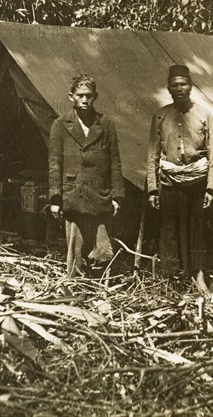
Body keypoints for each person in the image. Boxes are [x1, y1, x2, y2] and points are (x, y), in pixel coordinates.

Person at [146, 64, 213, 293]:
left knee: (196, 230)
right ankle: (172, 279)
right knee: (169, 230)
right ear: (168, 88)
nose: (179, 89)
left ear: (191, 86)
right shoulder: (161, 115)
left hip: (197, 183)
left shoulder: (204, 114)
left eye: (184, 84)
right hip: (168, 182)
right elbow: (152, 154)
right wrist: (151, 189)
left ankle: (198, 275)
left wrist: (211, 188)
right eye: (174, 85)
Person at [48, 74, 125, 277]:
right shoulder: (60, 125)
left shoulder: (106, 125)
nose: (84, 100)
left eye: (89, 96)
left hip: (100, 196)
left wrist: (117, 197)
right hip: (74, 196)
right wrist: (55, 198)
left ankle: (99, 290)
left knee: (103, 251)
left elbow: (115, 162)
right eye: (80, 95)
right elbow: (55, 164)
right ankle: (76, 290)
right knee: (76, 252)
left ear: (95, 97)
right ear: (71, 96)